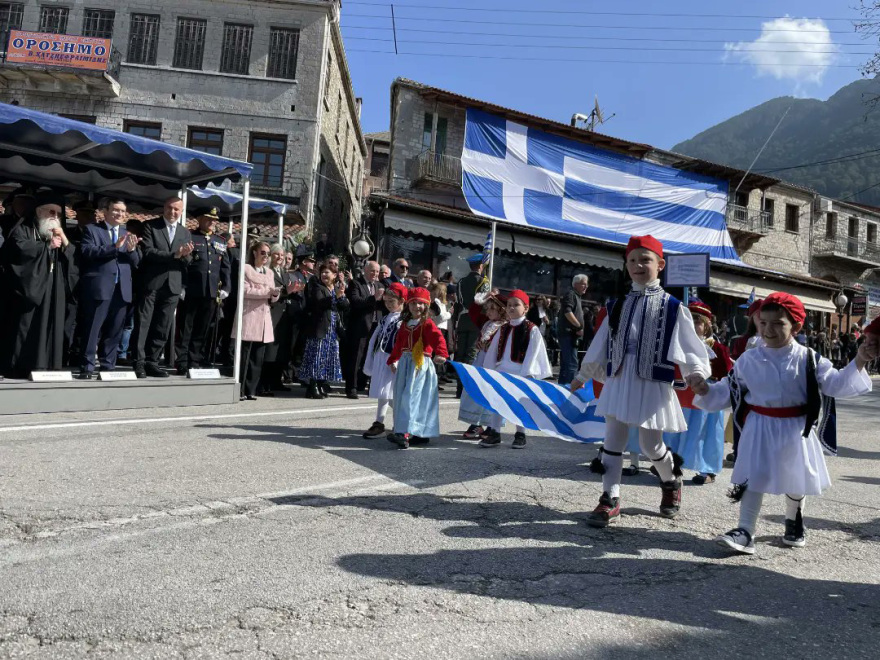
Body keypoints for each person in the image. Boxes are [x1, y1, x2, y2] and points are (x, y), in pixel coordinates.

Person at [691, 293, 877, 554]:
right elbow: (727, 390)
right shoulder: (748, 360)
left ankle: (794, 520)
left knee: (795, 476)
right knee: (753, 476)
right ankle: (745, 530)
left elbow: (835, 383)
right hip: (759, 427)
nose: (768, 329)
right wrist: (705, 391)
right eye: (763, 323)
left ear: (796, 327)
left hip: (795, 427)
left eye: (778, 323)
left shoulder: (809, 358)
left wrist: (859, 360)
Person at [571, 235, 710, 527]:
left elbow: (687, 344)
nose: (637, 265)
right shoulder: (616, 304)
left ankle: (671, 481)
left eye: (645, 260)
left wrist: (696, 373)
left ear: (660, 265)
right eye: (632, 260)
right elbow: (601, 342)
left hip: (652, 381)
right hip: (620, 377)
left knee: (651, 446)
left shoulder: (673, 307)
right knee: (613, 440)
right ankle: (610, 498)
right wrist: (584, 374)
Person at [2, 191, 77, 378]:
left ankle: (48, 366)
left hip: (53, 288)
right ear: (38, 211)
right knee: (26, 326)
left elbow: (74, 262)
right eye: (51, 212)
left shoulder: (59, 234)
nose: (55, 217)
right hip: (30, 289)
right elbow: (17, 249)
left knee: (51, 324)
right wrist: (46, 247)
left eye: (58, 214)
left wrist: (65, 242)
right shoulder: (23, 229)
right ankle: (20, 366)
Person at [662, 301, 733, 484]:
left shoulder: (716, 348)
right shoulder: (676, 345)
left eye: (698, 322)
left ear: (707, 325)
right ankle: (671, 463)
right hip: (681, 394)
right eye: (690, 321)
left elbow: (727, 372)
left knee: (705, 432)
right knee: (675, 430)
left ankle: (707, 470)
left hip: (706, 397)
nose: (693, 326)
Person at [76, 199, 141, 378]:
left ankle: (108, 366)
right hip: (100, 288)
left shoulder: (128, 234)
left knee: (115, 330)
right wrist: (114, 247)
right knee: (92, 329)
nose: (120, 214)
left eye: (123, 211)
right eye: (116, 210)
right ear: (105, 211)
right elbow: (87, 252)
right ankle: (87, 367)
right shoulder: (93, 230)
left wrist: (132, 250)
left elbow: (136, 263)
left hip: (122, 289)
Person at [130, 196, 194, 378]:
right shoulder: (151, 226)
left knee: (162, 326)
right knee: (143, 323)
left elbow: (188, 260)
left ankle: (152, 361)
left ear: (181, 212)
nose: (172, 212)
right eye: (169, 208)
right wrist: (175, 255)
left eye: (176, 209)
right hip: (152, 283)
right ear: (164, 208)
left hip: (173, 285)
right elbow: (148, 252)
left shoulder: (184, 232)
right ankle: (138, 363)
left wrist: (186, 256)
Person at [480, 290, 553, 449]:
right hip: (501, 371)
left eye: (516, 305)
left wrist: (526, 373)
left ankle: (520, 433)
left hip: (520, 372)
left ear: (526, 308)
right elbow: (493, 350)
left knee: (520, 403)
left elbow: (533, 352)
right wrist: (489, 370)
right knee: (498, 401)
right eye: (509, 305)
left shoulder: (531, 329)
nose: (511, 308)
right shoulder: (503, 328)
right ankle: (495, 431)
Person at [386, 287, 449, 449]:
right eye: (413, 303)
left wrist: (441, 353)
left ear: (426, 306)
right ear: (408, 305)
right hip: (405, 365)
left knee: (412, 398)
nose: (417, 307)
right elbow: (399, 344)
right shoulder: (405, 324)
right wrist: (394, 359)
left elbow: (438, 338)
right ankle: (414, 432)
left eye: (421, 304)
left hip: (419, 365)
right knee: (401, 397)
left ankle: (405, 433)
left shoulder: (427, 324)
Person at [176, 208, 231, 374]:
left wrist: (226, 288)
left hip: (211, 291)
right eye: (208, 218)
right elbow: (183, 263)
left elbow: (225, 267)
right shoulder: (190, 237)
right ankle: (182, 361)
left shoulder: (220, 240)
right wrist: (182, 285)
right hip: (192, 290)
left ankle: (195, 360)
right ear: (199, 218)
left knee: (202, 328)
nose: (212, 222)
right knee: (185, 328)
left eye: (214, 219)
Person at [362, 283, 408, 439]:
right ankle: (379, 423)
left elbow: (403, 343)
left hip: (393, 360)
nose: (388, 305)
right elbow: (374, 339)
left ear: (402, 301)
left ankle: (400, 424)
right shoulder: (385, 318)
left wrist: (397, 360)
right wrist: (371, 358)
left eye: (392, 302)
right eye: (386, 301)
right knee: (383, 392)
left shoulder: (403, 321)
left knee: (391, 393)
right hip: (382, 358)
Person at [458, 291, 506, 439]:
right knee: (476, 390)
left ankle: (492, 425)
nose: (488, 312)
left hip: (495, 364)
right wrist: (484, 298)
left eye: (492, 308)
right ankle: (476, 424)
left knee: (492, 393)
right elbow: (474, 311)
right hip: (481, 361)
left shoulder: (505, 326)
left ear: (501, 310)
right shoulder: (486, 323)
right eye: (487, 308)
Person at [235, 241, 280, 400]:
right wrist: (267, 292)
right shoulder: (246, 268)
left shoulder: (269, 273)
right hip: (249, 315)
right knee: (245, 356)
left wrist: (274, 294)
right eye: (263, 252)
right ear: (254, 253)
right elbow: (246, 290)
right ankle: (239, 389)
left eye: (267, 254)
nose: (266, 256)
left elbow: (273, 296)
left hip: (264, 317)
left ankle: (251, 389)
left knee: (257, 357)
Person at [300, 262, 348, 399]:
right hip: (319, 328)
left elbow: (345, 306)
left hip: (332, 330)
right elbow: (320, 303)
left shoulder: (335, 288)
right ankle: (312, 386)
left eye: (327, 272)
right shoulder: (318, 287)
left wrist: (341, 296)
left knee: (327, 358)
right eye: (323, 273)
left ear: (334, 275)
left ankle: (320, 384)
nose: (324, 275)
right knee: (316, 357)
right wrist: (335, 297)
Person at [343, 260, 384, 399]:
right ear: (366, 270)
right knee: (355, 358)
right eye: (372, 270)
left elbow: (383, 306)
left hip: (375, 327)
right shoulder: (356, 284)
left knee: (371, 357)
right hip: (359, 327)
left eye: (377, 271)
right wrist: (374, 298)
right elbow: (356, 302)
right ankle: (351, 388)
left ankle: (363, 384)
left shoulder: (379, 285)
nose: (375, 274)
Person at [261, 244, 299, 394]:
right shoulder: (268, 271)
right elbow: (271, 291)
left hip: (284, 316)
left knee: (280, 351)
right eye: (277, 255)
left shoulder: (284, 273)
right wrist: (285, 292)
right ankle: (264, 384)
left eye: (282, 256)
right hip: (272, 313)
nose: (280, 258)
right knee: (269, 351)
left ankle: (276, 381)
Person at [453, 254, 487, 388]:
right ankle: (467, 386)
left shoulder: (461, 282)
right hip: (475, 320)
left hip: (462, 319)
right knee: (471, 353)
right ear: (480, 266)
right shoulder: (484, 281)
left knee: (460, 353)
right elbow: (483, 302)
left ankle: (459, 387)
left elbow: (458, 302)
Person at [557, 274, 589, 386]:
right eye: (584, 284)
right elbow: (567, 312)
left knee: (567, 364)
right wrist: (579, 326)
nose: (586, 286)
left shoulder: (576, 296)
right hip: (569, 334)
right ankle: (569, 389)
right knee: (571, 364)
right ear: (576, 284)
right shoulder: (571, 294)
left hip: (570, 335)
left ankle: (562, 388)